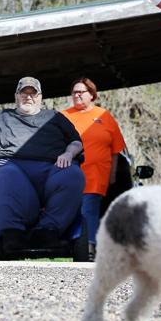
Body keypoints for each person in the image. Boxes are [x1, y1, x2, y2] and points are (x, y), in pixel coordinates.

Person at [0, 77, 85, 250]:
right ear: (16, 96)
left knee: (74, 174)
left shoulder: (54, 117)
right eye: (24, 93)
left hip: (52, 169)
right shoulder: (1, 118)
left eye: (33, 93)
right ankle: (12, 233)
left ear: (40, 97)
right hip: (11, 166)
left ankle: (48, 230)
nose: (28, 97)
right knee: (6, 174)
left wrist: (69, 153)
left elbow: (76, 142)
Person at [61, 77, 125, 261]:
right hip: (70, 173)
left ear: (92, 95)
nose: (77, 95)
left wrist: (112, 174)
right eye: (74, 92)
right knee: (74, 209)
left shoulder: (104, 116)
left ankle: (89, 247)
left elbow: (116, 150)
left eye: (81, 92)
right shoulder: (64, 116)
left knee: (89, 208)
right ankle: (72, 245)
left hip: (97, 173)